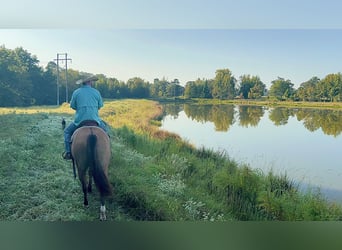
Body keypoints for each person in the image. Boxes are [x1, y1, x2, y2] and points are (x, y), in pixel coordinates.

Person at [62, 75, 108, 160]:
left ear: (82, 83)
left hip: (80, 121)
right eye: (92, 81)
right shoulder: (96, 92)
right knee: (106, 132)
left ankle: (68, 152)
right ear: (89, 82)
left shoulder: (76, 92)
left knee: (67, 132)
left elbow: (72, 106)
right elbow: (100, 105)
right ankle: (108, 151)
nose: (92, 83)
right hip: (95, 120)